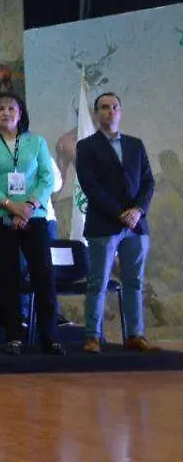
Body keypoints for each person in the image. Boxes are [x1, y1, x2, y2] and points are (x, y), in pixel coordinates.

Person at [0, 93, 64, 356]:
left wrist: (28, 206)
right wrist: (10, 206)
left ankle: (49, 336)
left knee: (43, 275)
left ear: (21, 113)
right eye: (0, 109)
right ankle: (13, 336)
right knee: (9, 276)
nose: (6, 113)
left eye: (11, 108)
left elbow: (46, 178)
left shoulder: (36, 142)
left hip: (34, 216)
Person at [76, 92, 157, 353]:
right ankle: (92, 336)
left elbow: (148, 182)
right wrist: (119, 212)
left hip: (136, 225)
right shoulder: (86, 146)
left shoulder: (135, 144)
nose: (110, 112)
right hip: (104, 224)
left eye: (114, 107)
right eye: (104, 108)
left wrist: (138, 210)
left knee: (134, 281)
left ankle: (135, 335)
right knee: (98, 281)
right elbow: (91, 186)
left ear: (120, 111)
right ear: (96, 113)